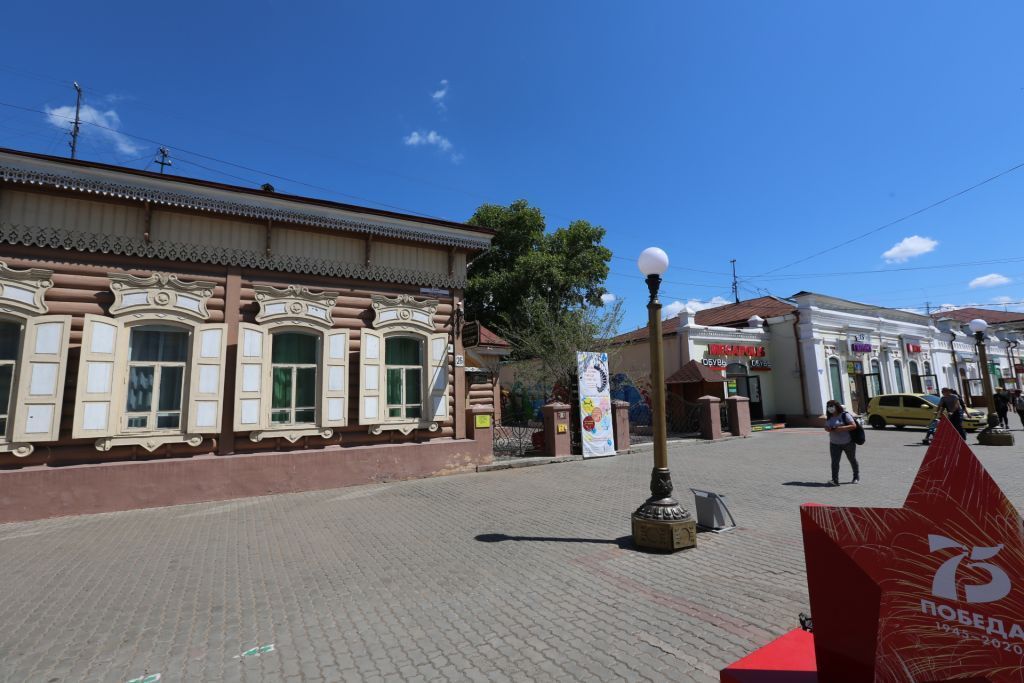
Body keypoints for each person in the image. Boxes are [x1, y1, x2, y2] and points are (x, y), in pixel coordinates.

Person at [824, 399, 859, 486]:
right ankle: (835, 480)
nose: (830, 408)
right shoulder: (829, 417)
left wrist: (840, 428)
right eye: (828, 406)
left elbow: (853, 425)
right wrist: (828, 428)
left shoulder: (844, 415)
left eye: (831, 406)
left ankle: (856, 477)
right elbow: (826, 427)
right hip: (834, 443)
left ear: (836, 406)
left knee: (852, 459)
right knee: (835, 462)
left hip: (848, 442)